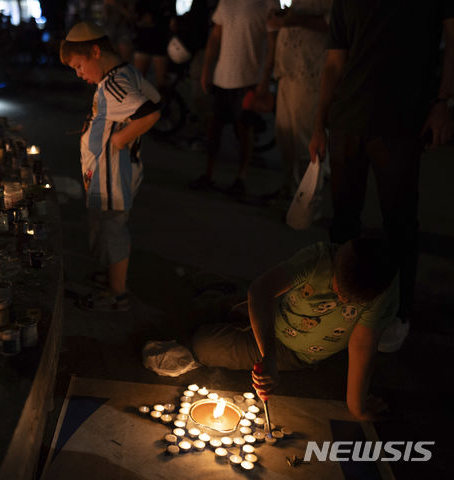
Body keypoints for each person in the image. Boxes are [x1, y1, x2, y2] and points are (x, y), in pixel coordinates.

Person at [308, 1, 454, 352]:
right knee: (343, 220)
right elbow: (334, 63)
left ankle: (398, 311)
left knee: (400, 221)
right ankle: (340, 301)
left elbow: (453, 43)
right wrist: (318, 125)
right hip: (347, 120)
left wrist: (443, 102)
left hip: (401, 122)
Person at [192, 239, 398, 420]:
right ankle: (224, 299)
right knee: (207, 310)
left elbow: (362, 345)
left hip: (289, 349)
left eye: (352, 301)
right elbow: (260, 290)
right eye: (338, 291)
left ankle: (225, 302)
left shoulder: (381, 291)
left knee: (202, 344)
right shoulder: (319, 259)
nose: (342, 300)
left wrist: (358, 409)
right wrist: (268, 357)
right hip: (277, 314)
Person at [60, 21, 161, 311]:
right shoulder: (126, 73)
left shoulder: (114, 85)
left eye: (79, 66)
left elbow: (150, 111)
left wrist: (121, 139)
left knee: (111, 229)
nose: (79, 74)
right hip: (112, 173)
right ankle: (111, 278)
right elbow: (155, 97)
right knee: (107, 228)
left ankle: (117, 294)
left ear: (95, 51)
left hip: (112, 176)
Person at [189, 0, 277, 194]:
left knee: (244, 130)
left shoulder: (268, 3)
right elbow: (215, 36)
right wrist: (207, 68)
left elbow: (273, 45)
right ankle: (209, 174)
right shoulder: (227, 2)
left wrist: (265, 79)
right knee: (213, 128)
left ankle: (241, 178)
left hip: (249, 78)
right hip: (222, 75)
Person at [265, 0, 331, 203]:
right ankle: (289, 190)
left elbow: (334, 24)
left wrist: (297, 20)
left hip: (309, 72)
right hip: (288, 69)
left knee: (305, 141)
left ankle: (307, 201)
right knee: (286, 138)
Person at [132, 0, 176, 91]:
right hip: (144, 40)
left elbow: (171, 21)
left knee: (162, 82)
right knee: (138, 81)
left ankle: (163, 102)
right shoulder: (142, 4)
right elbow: (136, 19)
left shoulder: (166, 4)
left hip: (159, 41)